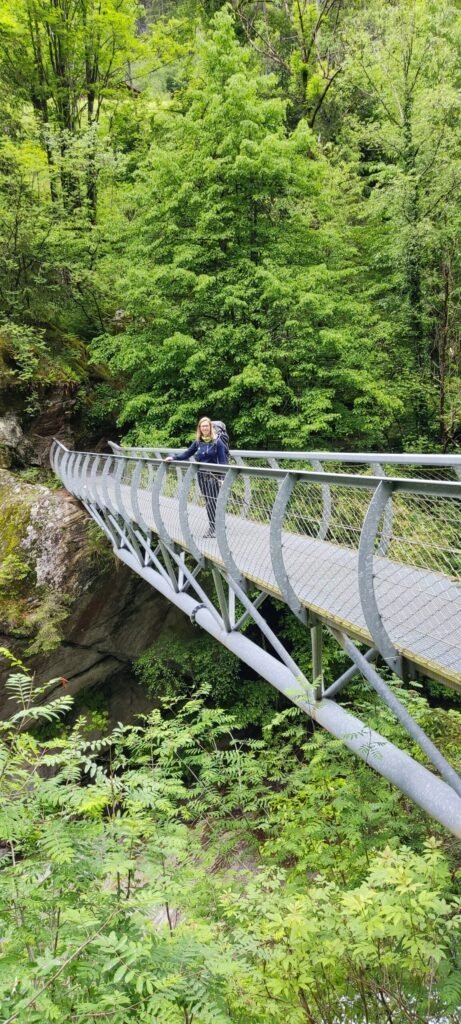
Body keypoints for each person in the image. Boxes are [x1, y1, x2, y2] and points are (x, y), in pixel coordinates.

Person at [165, 416, 228, 537]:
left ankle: (213, 528)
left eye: (206, 426)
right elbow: (187, 454)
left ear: (210, 427)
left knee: (211, 501)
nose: (204, 428)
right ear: (200, 428)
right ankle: (218, 523)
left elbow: (223, 461)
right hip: (201, 476)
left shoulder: (217, 442)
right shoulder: (198, 442)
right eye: (202, 426)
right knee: (208, 500)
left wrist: (222, 478)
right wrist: (173, 457)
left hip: (213, 476)